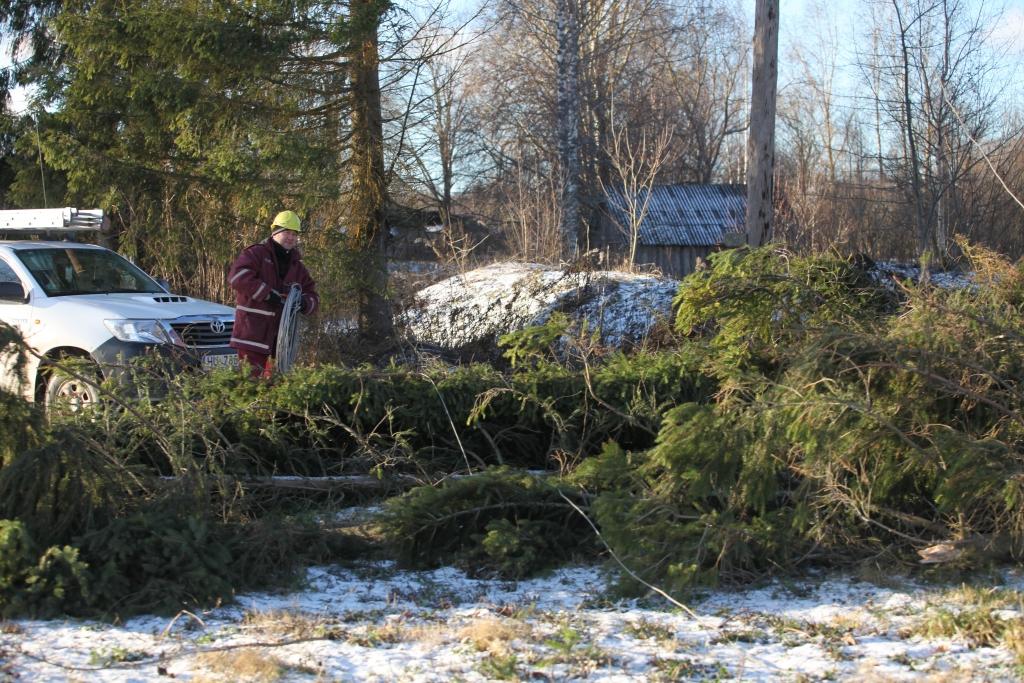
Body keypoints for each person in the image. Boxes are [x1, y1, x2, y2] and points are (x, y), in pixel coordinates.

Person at [228, 210, 319, 377]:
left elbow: (312, 295)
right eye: (286, 232)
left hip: (280, 343)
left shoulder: (296, 266)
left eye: (294, 234)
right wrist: (268, 294)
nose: (291, 237)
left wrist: (304, 302)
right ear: (275, 232)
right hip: (252, 337)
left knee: (276, 388)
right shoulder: (256, 254)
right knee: (251, 386)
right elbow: (238, 277)